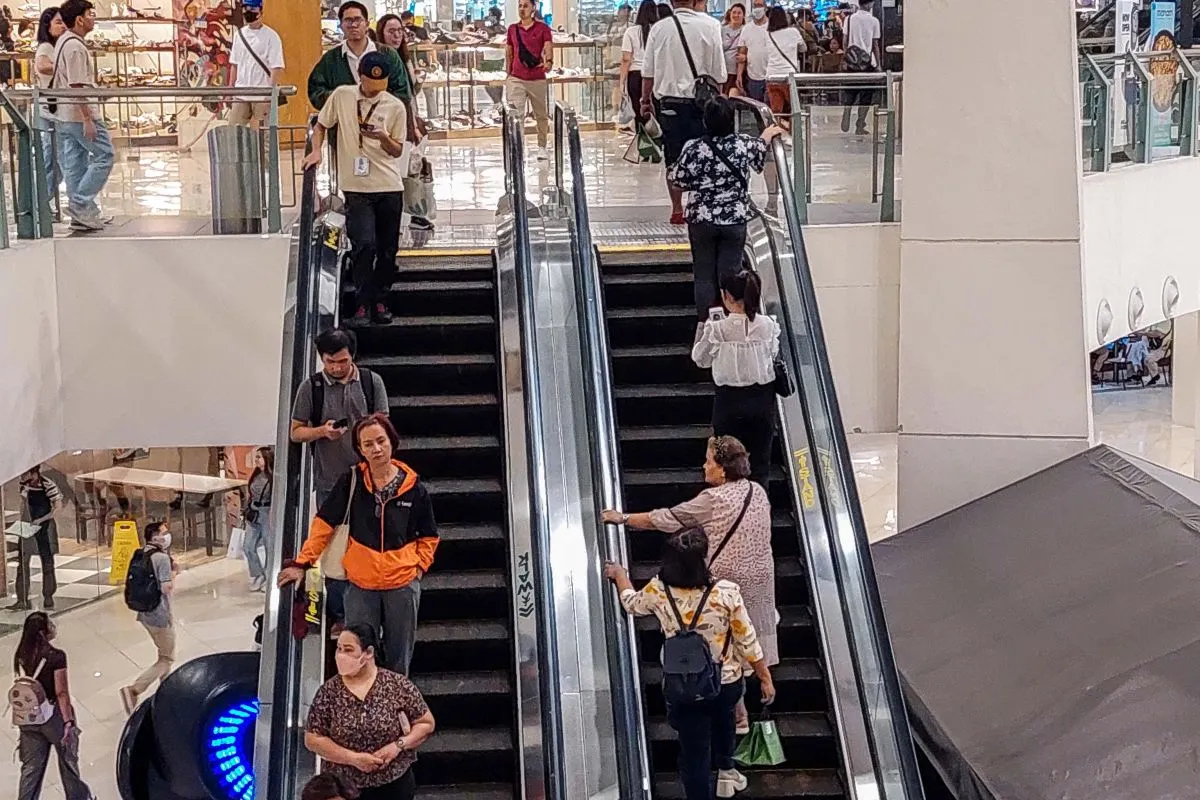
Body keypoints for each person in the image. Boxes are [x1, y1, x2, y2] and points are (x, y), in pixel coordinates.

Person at [603, 435, 777, 734]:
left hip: (725, 579)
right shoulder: (757, 491)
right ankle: (741, 707)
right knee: (745, 635)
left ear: (723, 468)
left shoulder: (714, 499)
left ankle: (736, 712)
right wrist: (765, 676)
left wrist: (624, 518)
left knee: (719, 644)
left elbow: (670, 518)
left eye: (709, 461)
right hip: (760, 579)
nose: (704, 466)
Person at [604, 530, 775, 800]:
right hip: (725, 680)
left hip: (682, 684)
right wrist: (764, 677)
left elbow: (632, 604)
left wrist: (620, 575)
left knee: (694, 753)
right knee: (725, 723)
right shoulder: (726, 593)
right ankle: (726, 773)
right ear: (703, 558)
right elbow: (747, 640)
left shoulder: (659, 590)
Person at [280, 413, 439, 675]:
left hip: (401, 585)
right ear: (360, 449)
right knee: (358, 657)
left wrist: (418, 568)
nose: (376, 449)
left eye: (381, 441)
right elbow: (323, 526)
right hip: (360, 585)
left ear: (392, 442)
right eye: (368, 444)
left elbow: (429, 536)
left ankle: (394, 699)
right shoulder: (351, 481)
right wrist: (302, 562)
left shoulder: (414, 488)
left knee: (399, 659)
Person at [303, 52, 409, 327]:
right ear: (360, 76)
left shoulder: (395, 106)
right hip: (356, 187)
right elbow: (321, 124)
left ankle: (381, 299)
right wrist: (316, 151)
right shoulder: (342, 95)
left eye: (381, 85)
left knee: (387, 248)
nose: (376, 90)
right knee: (364, 244)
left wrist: (383, 137)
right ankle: (362, 301)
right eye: (371, 84)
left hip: (388, 186)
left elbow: (397, 150)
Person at [667, 96, 782, 320]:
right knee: (730, 274)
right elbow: (760, 152)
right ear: (732, 120)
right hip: (734, 220)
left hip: (701, 220)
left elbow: (677, 181)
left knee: (703, 275)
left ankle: (707, 324)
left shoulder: (694, 148)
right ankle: (733, 320)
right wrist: (766, 134)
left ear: (706, 121)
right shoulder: (743, 144)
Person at [305, 624, 436, 800]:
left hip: (394, 784)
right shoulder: (328, 692)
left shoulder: (397, 685)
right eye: (339, 648)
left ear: (368, 652)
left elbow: (425, 723)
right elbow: (313, 738)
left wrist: (398, 745)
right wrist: (353, 758)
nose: (341, 655)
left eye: (348, 649)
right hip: (346, 789)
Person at [641, 0, 726, 225]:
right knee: (706, 153)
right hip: (704, 104)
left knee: (673, 157)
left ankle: (677, 209)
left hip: (670, 104)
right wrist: (719, 99)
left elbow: (648, 72)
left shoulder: (659, 28)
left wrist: (645, 101)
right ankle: (700, 205)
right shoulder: (711, 25)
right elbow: (719, 73)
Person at [693, 275, 780, 488]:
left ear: (727, 296)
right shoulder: (768, 326)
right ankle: (758, 506)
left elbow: (700, 359)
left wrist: (704, 327)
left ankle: (730, 507)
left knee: (727, 466)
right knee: (760, 465)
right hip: (763, 402)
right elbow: (773, 355)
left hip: (729, 403)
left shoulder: (718, 329)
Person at [12, 612, 94, 800]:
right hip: (53, 717)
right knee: (68, 764)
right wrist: (68, 722)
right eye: (49, 623)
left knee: (31, 768)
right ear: (43, 631)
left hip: (29, 716)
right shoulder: (56, 657)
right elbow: (61, 693)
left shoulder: (22, 654)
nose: (53, 626)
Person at [51, 0, 113, 232]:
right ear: (79, 19)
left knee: (76, 163)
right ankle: (80, 203)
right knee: (105, 155)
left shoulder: (63, 42)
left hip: (65, 114)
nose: (93, 18)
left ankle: (84, 214)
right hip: (79, 114)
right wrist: (88, 118)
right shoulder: (75, 47)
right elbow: (76, 85)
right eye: (90, 14)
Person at [308, 1, 412, 111]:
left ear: (367, 24)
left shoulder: (388, 55)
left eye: (358, 19)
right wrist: (343, 99)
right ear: (341, 25)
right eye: (348, 20)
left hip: (382, 120)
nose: (353, 25)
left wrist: (378, 105)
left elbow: (403, 93)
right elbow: (315, 92)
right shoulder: (331, 59)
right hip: (343, 120)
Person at [119, 521, 177, 714]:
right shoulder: (161, 558)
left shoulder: (141, 553)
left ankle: (166, 691)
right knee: (167, 658)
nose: (167, 536)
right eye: (163, 532)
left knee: (163, 653)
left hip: (144, 613)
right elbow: (166, 587)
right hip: (159, 614)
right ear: (155, 537)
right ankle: (134, 690)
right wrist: (174, 572)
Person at [9, 466, 62, 613]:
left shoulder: (48, 484)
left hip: (44, 526)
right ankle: (22, 599)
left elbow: (57, 507)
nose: (22, 475)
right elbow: (23, 504)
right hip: (28, 526)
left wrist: (41, 519)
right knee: (22, 562)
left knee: (47, 561)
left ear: (33, 473)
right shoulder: (23, 484)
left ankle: (48, 597)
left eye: (25, 473)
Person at [505, 0, 553, 159]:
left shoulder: (543, 28)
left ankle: (542, 146)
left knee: (541, 115)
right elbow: (509, 51)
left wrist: (549, 61)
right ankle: (518, 146)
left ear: (533, 7)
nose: (522, 9)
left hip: (537, 78)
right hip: (516, 78)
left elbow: (548, 45)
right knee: (516, 115)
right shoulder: (512, 29)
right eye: (520, 6)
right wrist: (508, 73)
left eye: (526, 6)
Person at [228, 2, 284, 127]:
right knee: (233, 131)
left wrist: (271, 92)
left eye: (252, 8)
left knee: (264, 133)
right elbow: (234, 64)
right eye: (246, 8)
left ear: (260, 12)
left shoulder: (271, 36)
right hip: (241, 94)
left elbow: (276, 66)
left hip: (262, 95)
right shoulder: (238, 35)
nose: (248, 12)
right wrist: (230, 88)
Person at [34, 7, 64, 206]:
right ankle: (41, 204)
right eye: (58, 22)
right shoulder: (46, 47)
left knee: (55, 160)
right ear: (47, 26)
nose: (63, 26)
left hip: (53, 110)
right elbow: (42, 66)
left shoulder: (56, 46)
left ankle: (42, 203)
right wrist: (65, 66)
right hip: (49, 110)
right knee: (52, 159)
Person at [840, 0, 880, 135]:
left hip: (851, 63)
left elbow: (844, 41)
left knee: (850, 92)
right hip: (867, 63)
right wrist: (878, 64)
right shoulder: (874, 21)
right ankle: (860, 124)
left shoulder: (849, 19)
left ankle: (847, 110)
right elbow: (875, 45)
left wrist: (847, 57)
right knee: (866, 96)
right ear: (869, 4)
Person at [620, 0, 658, 121]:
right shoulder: (659, 31)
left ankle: (640, 131)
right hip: (656, 75)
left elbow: (626, 59)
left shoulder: (631, 32)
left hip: (635, 75)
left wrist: (622, 82)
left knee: (638, 112)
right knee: (656, 113)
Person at [242, 447, 273, 591]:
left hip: (267, 512)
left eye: (259, 457)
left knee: (269, 546)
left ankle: (268, 575)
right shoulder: (255, 475)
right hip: (253, 512)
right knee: (248, 546)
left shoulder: (272, 477)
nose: (256, 460)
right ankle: (258, 573)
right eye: (256, 457)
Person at [763, 6, 803, 117]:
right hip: (789, 76)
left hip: (772, 76)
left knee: (776, 113)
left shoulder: (767, 34)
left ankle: (778, 127)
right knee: (792, 112)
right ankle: (791, 127)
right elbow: (803, 48)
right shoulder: (793, 32)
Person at [734, 0, 769, 101]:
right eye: (755, 6)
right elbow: (741, 54)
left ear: (765, 8)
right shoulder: (747, 29)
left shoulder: (772, 26)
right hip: (753, 77)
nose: (757, 8)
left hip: (771, 76)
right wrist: (739, 75)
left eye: (760, 5)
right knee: (756, 105)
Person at [720, 4, 745, 94]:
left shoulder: (745, 30)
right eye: (734, 12)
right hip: (723, 71)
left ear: (743, 15)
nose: (736, 15)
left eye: (739, 13)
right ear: (730, 13)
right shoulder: (722, 30)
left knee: (733, 95)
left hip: (738, 72)